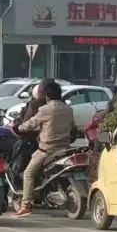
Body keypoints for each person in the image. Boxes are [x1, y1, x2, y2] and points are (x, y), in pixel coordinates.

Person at [12, 81, 75, 218]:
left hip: (47, 149)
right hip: (65, 148)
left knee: (28, 173)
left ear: (47, 96)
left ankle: (26, 205)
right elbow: (72, 126)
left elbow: (30, 124)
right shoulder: (68, 109)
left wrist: (17, 127)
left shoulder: (45, 109)